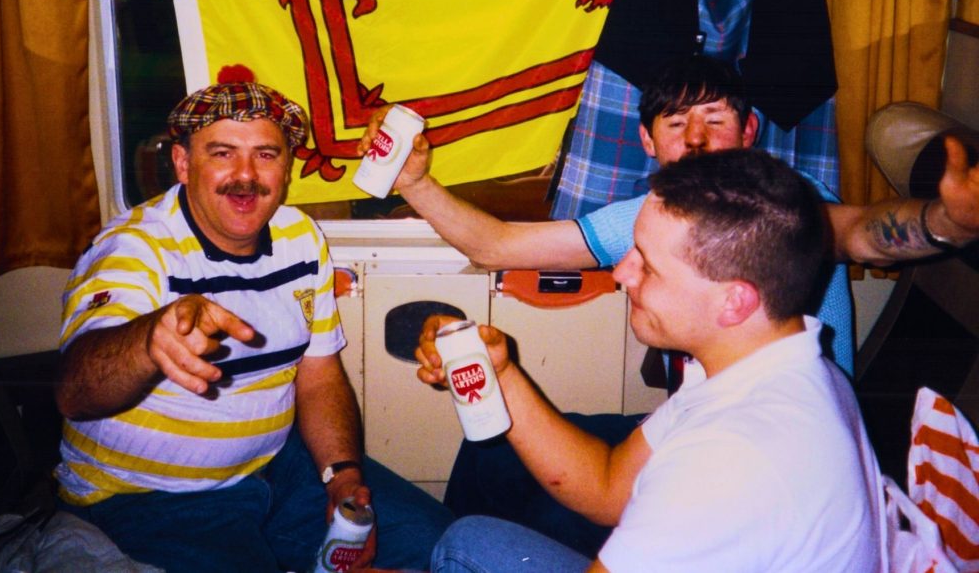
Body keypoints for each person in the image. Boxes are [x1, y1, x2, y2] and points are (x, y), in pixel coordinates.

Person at [359, 54, 979, 556]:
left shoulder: (780, 213)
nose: (699, 140)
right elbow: (498, 246)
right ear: (648, 142)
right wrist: (413, 182)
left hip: (744, 458)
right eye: (677, 124)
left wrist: (942, 223)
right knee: (487, 456)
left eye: (715, 118)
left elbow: (867, 233)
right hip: (699, 416)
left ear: (750, 132)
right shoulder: (656, 215)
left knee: (484, 540)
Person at [417, 149, 886, 572]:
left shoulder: (733, 456)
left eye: (647, 263)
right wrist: (499, 375)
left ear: (733, 303)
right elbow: (607, 487)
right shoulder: (765, 362)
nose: (622, 273)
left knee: (465, 545)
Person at [54, 78, 452, 573]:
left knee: (442, 547)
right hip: (150, 498)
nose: (245, 176)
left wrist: (342, 476)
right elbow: (76, 390)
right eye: (222, 153)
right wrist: (147, 340)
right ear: (182, 163)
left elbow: (319, 375)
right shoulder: (134, 249)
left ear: (286, 169)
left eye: (266, 155)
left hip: (278, 469)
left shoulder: (301, 238)